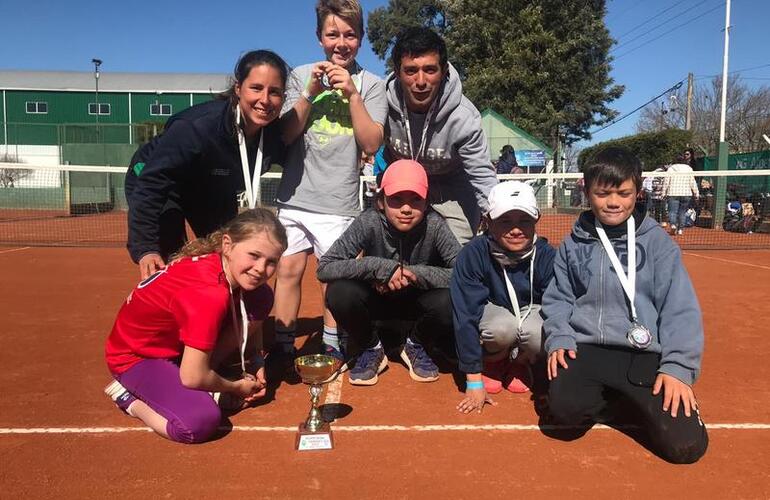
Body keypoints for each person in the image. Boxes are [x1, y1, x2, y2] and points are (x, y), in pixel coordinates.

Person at [542, 147, 708, 464]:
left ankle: (632, 395)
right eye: (603, 193)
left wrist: (678, 367)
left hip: (644, 351)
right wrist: (559, 336)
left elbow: (680, 307)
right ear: (587, 192)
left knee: (686, 448)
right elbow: (559, 298)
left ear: (638, 192)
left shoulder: (658, 243)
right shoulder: (572, 244)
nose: (614, 202)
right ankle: (617, 395)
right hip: (588, 346)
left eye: (624, 193)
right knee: (564, 418)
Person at [103, 209, 287, 444]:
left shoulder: (222, 266)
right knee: (199, 422)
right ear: (227, 244)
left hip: (174, 346)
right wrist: (235, 386)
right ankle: (127, 398)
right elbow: (191, 377)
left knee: (260, 296)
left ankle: (207, 372)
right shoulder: (208, 294)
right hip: (136, 357)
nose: (261, 268)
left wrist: (256, 358)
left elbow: (253, 315)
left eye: (271, 262)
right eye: (254, 255)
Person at [272, 0, 388, 366]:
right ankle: (282, 343)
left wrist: (352, 94)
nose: (341, 42)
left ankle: (332, 343)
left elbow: (371, 143)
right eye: (333, 33)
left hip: (338, 203)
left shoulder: (371, 84)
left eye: (350, 34)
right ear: (319, 37)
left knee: (331, 280)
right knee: (288, 270)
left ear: (361, 38)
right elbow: (287, 134)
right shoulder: (299, 76)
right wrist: (310, 91)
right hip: (294, 199)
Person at [125, 50, 289, 279]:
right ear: (238, 88)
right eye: (256, 88)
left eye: (274, 92)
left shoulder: (273, 136)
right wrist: (146, 249)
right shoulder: (196, 127)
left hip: (211, 188)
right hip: (160, 183)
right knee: (170, 256)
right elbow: (151, 184)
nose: (265, 99)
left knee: (226, 250)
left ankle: (222, 310)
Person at [317, 159, 460, 385]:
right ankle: (371, 346)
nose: (406, 208)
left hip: (417, 309)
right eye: (396, 199)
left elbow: (463, 274)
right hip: (378, 308)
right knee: (339, 292)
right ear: (381, 202)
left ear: (426, 202)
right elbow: (325, 267)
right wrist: (380, 268)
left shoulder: (435, 224)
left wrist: (414, 274)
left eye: (415, 200)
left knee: (452, 298)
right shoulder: (369, 221)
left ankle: (417, 344)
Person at [383, 27, 498, 244]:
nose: (420, 81)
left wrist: (502, 216)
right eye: (410, 71)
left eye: (430, 70)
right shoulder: (381, 103)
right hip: (405, 190)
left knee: (457, 259)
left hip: (453, 190)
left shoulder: (464, 117)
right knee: (392, 257)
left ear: (444, 71)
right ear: (397, 72)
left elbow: (482, 176)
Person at [452, 181, 556, 414]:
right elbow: (465, 315)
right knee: (502, 328)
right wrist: (473, 380)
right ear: (488, 221)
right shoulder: (473, 254)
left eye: (525, 221)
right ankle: (495, 359)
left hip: (530, 314)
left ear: (536, 220)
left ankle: (522, 362)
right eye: (505, 221)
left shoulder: (548, 256)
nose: (516, 229)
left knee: (538, 332)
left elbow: (559, 310)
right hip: (496, 315)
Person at [663, 154, 700, 235]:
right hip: (686, 194)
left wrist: (663, 193)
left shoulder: (670, 169)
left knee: (672, 211)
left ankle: (673, 225)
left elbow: (666, 182)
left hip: (673, 193)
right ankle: (680, 230)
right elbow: (692, 182)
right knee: (682, 212)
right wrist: (696, 194)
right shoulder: (689, 169)